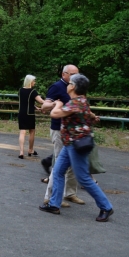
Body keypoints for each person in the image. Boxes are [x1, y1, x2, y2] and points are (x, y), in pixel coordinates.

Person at [39, 74, 113, 222]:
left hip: (77, 145)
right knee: (59, 172)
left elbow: (55, 114)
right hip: (70, 143)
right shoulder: (81, 101)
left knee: (83, 178)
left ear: (73, 86)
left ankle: (106, 206)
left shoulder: (75, 103)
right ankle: (54, 204)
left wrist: (57, 105)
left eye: (70, 83)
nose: (67, 85)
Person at [41, 65, 85, 207]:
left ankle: (70, 193)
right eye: (72, 74)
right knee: (59, 164)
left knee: (73, 164)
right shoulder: (57, 87)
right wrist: (56, 103)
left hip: (74, 131)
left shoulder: (76, 87)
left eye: (77, 74)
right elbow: (45, 106)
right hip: (59, 130)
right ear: (64, 74)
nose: (75, 77)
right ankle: (50, 197)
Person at [18, 75, 45, 158]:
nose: (35, 82)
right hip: (29, 114)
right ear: (30, 81)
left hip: (21, 113)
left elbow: (26, 102)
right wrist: (48, 103)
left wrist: (36, 107)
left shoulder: (20, 90)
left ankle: (21, 152)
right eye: (34, 81)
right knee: (32, 131)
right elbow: (40, 101)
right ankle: (30, 150)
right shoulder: (33, 91)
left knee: (22, 132)